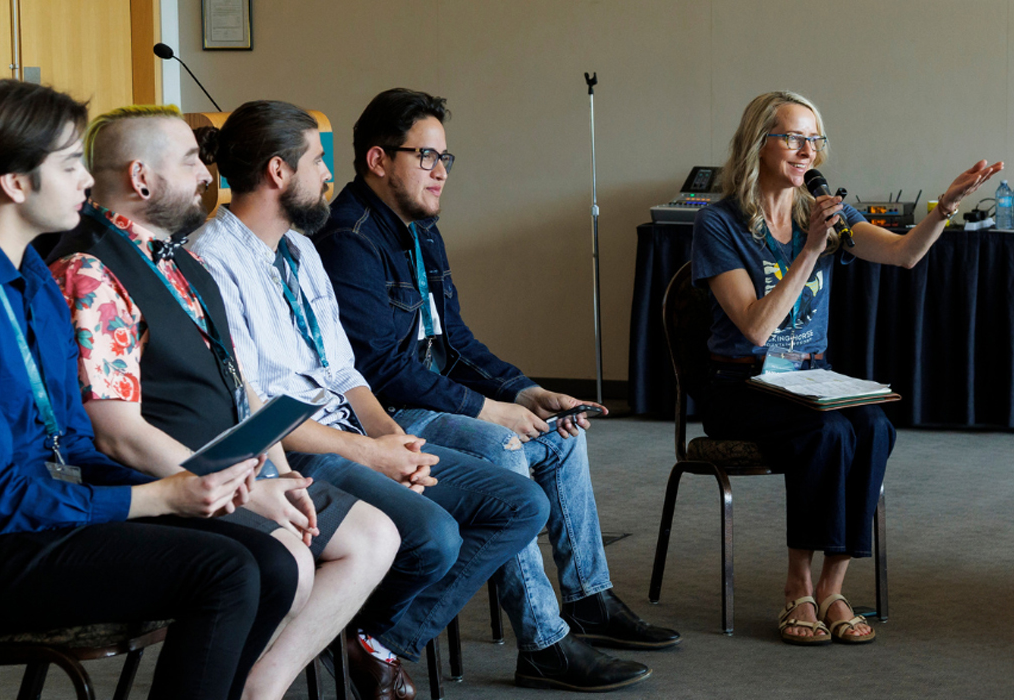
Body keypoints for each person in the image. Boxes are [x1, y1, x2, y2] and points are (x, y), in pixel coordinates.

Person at [0, 79, 300, 700]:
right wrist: (159, 499)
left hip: (35, 515)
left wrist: (198, 485)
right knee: (227, 571)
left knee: (271, 561)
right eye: (71, 164)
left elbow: (71, 439)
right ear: (17, 185)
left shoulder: (31, 279)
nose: (86, 181)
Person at [189, 99, 556, 699]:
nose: (331, 177)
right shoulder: (211, 260)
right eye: (318, 162)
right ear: (280, 173)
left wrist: (389, 437)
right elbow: (254, 410)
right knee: (435, 537)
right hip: (296, 453)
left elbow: (345, 371)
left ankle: (373, 640)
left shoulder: (301, 250)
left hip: (350, 435)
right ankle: (323, 637)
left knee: (519, 503)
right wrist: (369, 456)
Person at [313, 88, 677, 691]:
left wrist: (527, 392)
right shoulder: (347, 238)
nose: (439, 173)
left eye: (445, 159)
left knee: (559, 438)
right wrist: (491, 411)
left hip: (432, 399)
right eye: (425, 157)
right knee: (500, 447)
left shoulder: (420, 229)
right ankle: (543, 642)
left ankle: (589, 599)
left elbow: (453, 339)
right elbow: (378, 369)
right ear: (378, 160)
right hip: (387, 415)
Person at [45, 105, 400, 699]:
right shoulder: (91, 269)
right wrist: (243, 487)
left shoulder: (180, 258)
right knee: (289, 557)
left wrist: (282, 473)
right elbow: (118, 435)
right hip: (165, 478)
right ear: (141, 178)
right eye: (190, 161)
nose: (207, 176)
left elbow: (241, 382)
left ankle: (262, 686)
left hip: (241, 466)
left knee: (374, 537)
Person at [690, 91, 1001, 645]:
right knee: (829, 431)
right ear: (757, 143)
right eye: (792, 136)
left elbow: (904, 255)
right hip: (740, 384)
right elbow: (757, 329)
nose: (806, 150)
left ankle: (834, 589)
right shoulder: (721, 223)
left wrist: (945, 207)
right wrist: (809, 250)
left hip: (809, 377)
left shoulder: (824, 211)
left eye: (815, 139)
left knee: (875, 425)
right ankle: (797, 589)